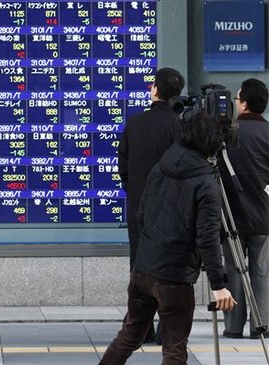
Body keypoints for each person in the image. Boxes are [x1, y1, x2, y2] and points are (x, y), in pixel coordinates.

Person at [100, 110, 236, 365]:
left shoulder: (159, 167)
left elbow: (142, 215)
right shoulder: (206, 183)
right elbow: (207, 238)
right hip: (175, 278)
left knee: (129, 335)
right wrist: (218, 285)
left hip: (143, 270)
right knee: (174, 348)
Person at [118, 67, 185, 343]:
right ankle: (170, 329)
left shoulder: (134, 123)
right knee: (171, 270)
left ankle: (142, 328)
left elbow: (122, 165)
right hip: (171, 211)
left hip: (138, 209)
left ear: (156, 90)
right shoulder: (179, 125)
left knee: (139, 269)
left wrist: (135, 191)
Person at [220, 78, 269, 339]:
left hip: (232, 216)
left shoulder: (228, 133)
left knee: (234, 270)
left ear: (245, 103)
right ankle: (261, 325)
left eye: (238, 99)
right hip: (264, 215)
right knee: (262, 271)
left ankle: (233, 326)